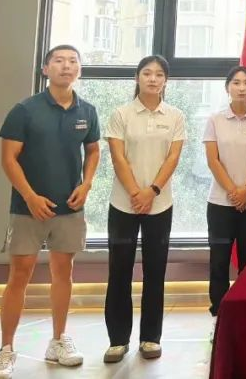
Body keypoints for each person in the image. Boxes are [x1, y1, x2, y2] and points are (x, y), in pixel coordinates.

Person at [0, 45, 100, 378]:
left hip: (70, 207)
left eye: (73, 62)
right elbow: (8, 158)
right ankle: (5, 349)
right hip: (28, 209)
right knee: (19, 275)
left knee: (63, 273)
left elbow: (93, 150)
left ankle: (58, 341)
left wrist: (87, 184)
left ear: (79, 70)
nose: (66, 66)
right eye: (59, 61)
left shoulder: (87, 110)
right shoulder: (25, 110)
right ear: (45, 69)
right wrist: (30, 196)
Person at [102, 55, 185, 364]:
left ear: (166, 80)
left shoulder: (175, 115)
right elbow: (118, 157)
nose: (153, 79)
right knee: (119, 271)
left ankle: (151, 337)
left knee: (155, 271)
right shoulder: (121, 114)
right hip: (123, 204)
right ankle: (117, 340)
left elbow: (173, 158)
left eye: (159, 74)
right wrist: (136, 193)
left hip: (160, 204)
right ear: (137, 78)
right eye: (147, 73)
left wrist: (152, 192)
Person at [204, 65, 246, 320]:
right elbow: (213, 160)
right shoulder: (215, 120)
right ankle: (219, 313)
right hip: (221, 203)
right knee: (219, 260)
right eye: (236, 83)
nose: (242, 88)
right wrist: (234, 192)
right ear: (227, 87)